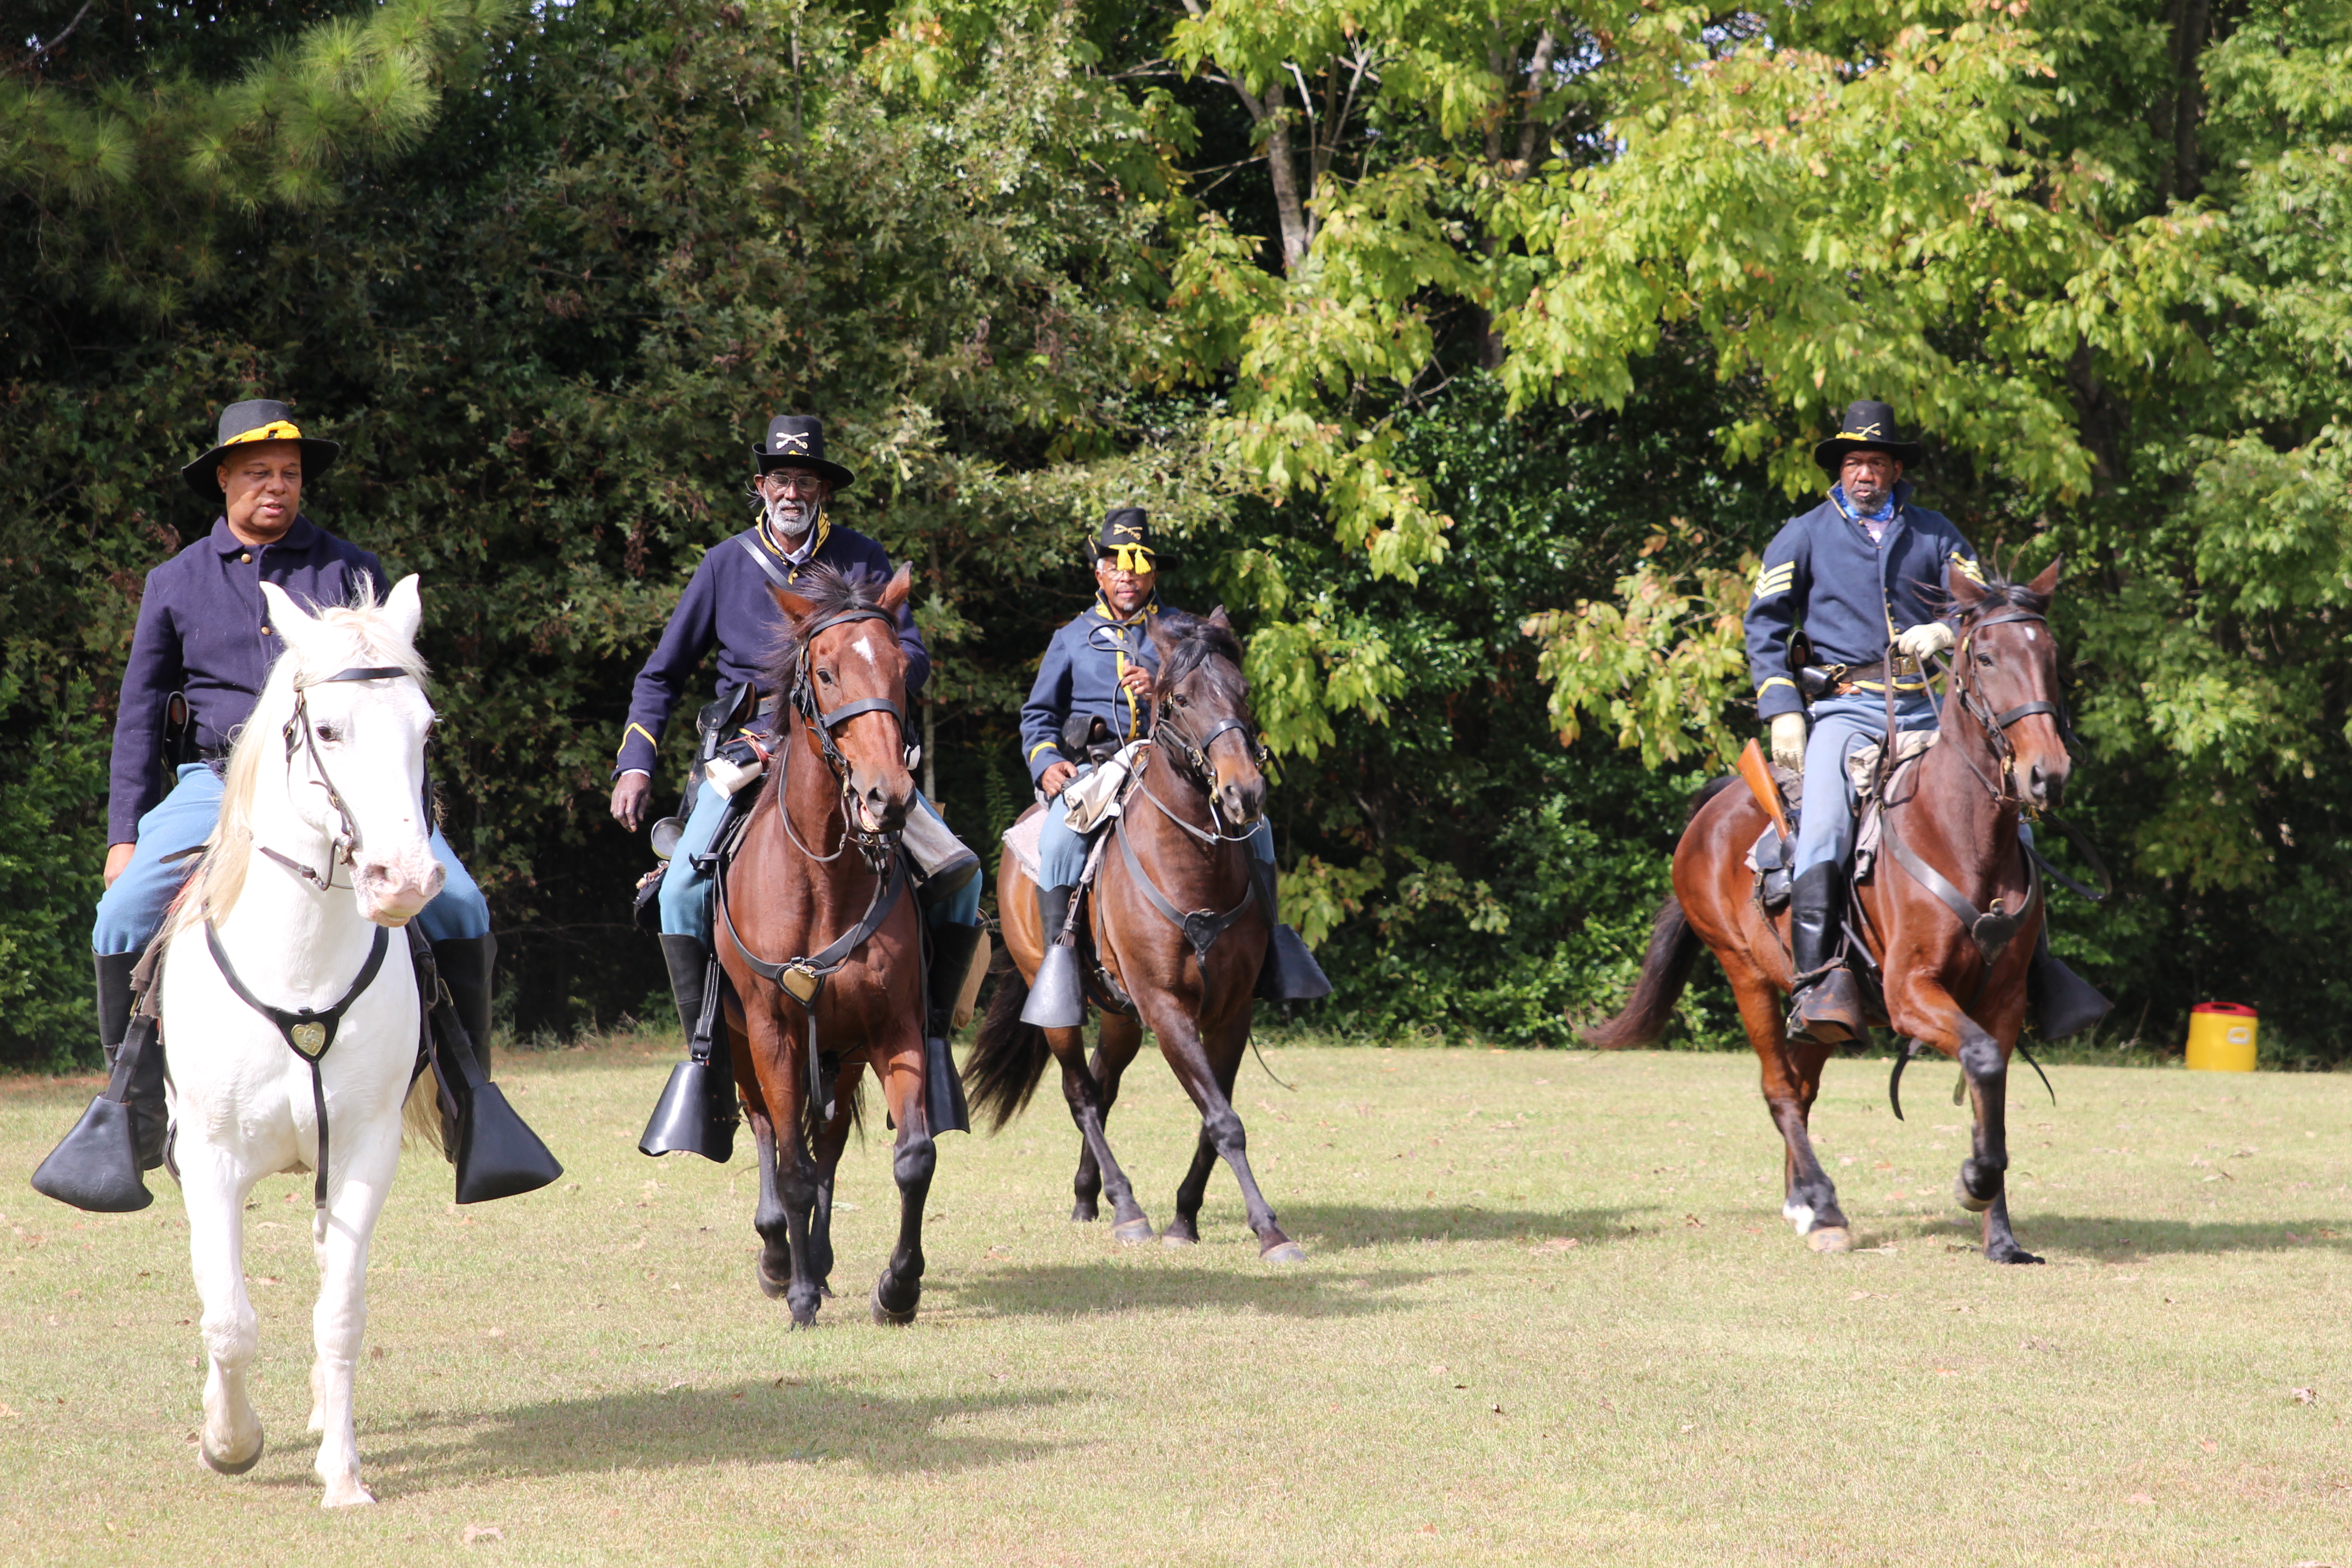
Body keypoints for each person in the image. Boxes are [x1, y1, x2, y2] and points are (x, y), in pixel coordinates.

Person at [85, 398, 496, 1171]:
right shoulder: (174, 583)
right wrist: (123, 835)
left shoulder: (351, 569)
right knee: (120, 916)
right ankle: (129, 1115)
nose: (275, 487)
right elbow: (138, 719)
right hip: (217, 784)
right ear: (223, 481)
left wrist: (410, 809)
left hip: (350, 784)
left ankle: (469, 1098)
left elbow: (392, 710)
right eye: (258, 474)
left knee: (464, 905)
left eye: (289, 474)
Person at [612, 415, 981, 1147]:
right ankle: (705, 1055)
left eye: (804, 481)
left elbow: (910, 653)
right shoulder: (724, 564)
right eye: (780, 479)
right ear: (760, 486)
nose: (791, 491)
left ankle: (930, 1045)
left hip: (853, 752)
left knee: (963, 875)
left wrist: (878, 680)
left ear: (820, 492)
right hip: (748, 754)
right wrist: (634, 760)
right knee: (682, 889)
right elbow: (661, 673)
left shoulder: (862, 560)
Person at [1743, 399, 2110, 1047]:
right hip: (1847, 709)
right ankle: (1817, 982)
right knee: (1825, 826)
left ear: (1894, 470)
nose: (1865, 473)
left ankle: (2042, 973)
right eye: (1855, 462)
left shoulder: (1937, 532)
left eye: (1876, 462)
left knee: (2010, 826)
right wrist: (1781, 711)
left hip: (1930, 711)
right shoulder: (1801, 534)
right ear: (1841, 469)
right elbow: (1765, 625)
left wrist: (1944, 627)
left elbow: (1986, 604)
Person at [1017, 509, 1322, 1006]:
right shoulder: (1070, 638)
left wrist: (1156, 682)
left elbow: (1215, 695)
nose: (1126, 575)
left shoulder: (1185, 631)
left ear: (1153, 572)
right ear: (1099, 572)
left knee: (1257, 828)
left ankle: (1273, 950)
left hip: (1180, 764)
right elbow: (1038, 716)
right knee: (1057, 841)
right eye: (1115, 565)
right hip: (1101, 765)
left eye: (1136, 566)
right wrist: (1046, 762)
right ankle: (1063, 964)